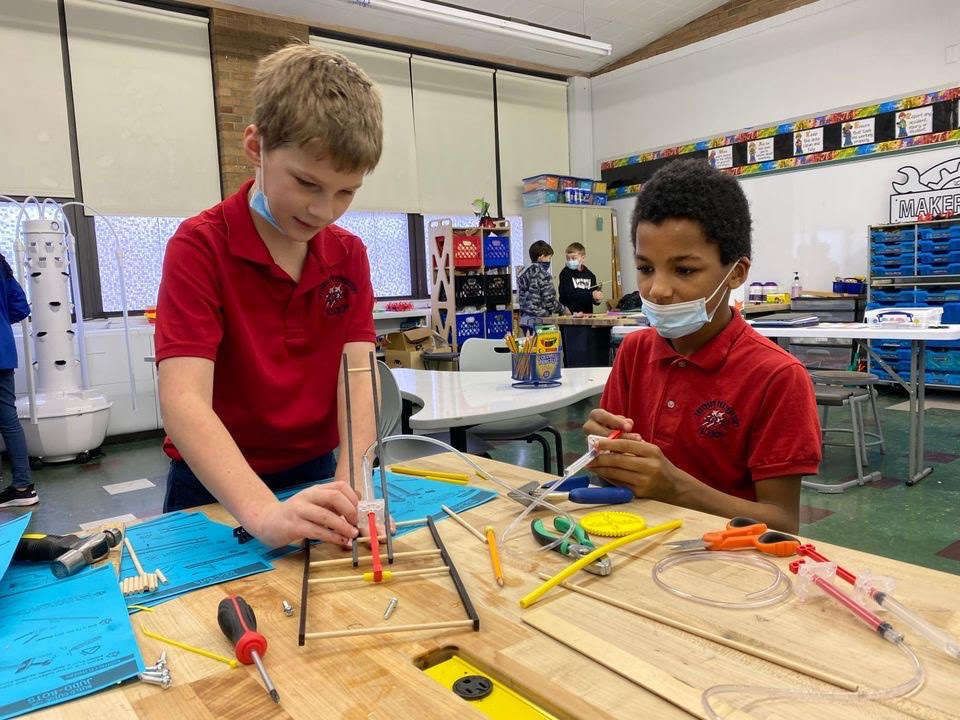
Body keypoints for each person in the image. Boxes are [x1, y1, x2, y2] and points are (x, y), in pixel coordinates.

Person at [154, 43, 385, 549]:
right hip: (213, 484)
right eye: (307, 183)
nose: (325, 210)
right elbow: (184, 400)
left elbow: (358, 382)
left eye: (346, 191)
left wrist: (354, 488)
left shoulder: (348, 255)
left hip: (316, 471)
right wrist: (262, 514)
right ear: (256, 147)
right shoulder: (199, 247)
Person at [583, 160, 820, 532]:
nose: (657, 290)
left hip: (727, 567)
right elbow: (619, 479)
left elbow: (783, 522)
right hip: (636, 544)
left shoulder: (777, 377)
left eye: (685, 270)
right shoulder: (635, 352)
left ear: (736, 273)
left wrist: (676, 487)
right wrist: (607, 457)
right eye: (645, 269)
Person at [0, 253, 33, 508]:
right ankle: (23, 486)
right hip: (3, 349)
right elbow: (21, 307)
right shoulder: (1, 264)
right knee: (9, 420)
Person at [557, 242, 607, 367]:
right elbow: (568, 295)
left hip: (586, 319)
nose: (570, 261)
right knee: (572, 355)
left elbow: (592, 299)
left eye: (573, 258)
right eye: (568, 258)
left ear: (583, 258)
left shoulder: (590, 275)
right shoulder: (565, 274)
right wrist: (590, 295)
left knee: (587, 353)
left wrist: (597, 298)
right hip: (569, 320)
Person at [517, 240, 565, 335]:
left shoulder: (523, 273)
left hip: (525, 320)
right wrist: (563, 309)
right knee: (547, 348)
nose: (549, 261)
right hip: (540, 320)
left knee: (531, 348)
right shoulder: (543, 274)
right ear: (542, 257)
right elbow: (549, 300)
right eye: (549, 258)